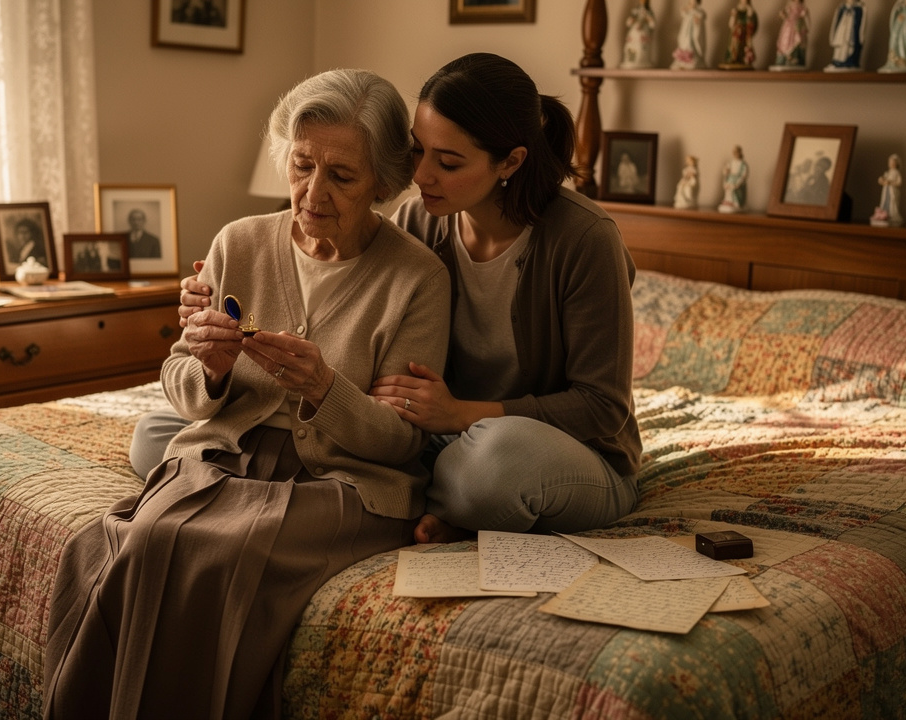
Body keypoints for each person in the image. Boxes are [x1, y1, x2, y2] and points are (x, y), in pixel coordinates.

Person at [44, 68, 450, 720]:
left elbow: (401, 441)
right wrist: (211, 370)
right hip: (225, 454)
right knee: (129, 538)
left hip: (344, 481)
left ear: (383, 182)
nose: (312, 192)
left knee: (221, 549)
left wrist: (324, 387)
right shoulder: (239, 241)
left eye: (341, 176)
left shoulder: (418, 277)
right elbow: (179, 380)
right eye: (301, 166)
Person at [159, 53, 643, 546]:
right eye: (417, 151)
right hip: (444, 434)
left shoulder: (585, 239)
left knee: (494, 462)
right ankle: (450, 501)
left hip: (561, 449)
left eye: (447, 162)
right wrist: (211, 306)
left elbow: (602, 407)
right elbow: (363, 322)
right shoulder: (419, 222)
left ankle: (458, 507)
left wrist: (461, 414)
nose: (421, 176)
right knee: (162, 431)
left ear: (510, 162)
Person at [825, 0, 867, 71]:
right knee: (840, 46)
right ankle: (837, 61)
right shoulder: (841, 7)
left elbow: (863, 24)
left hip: (851, 33)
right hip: (842, 31)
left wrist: (862, 36)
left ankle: (849, 61)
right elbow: (836, 21)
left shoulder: (860, 8)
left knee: (849, 46)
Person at [772, 0, 811, 70]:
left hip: (797, 27)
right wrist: (783, 15)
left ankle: (794, 59)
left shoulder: (802, 7)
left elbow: (807, 18)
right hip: (788, 25)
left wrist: (806, 26)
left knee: (797, 41)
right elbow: (785, 15)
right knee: (785, 40)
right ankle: (785, 58)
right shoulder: (790, 6)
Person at [670, 0, 708, 70]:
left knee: (692, 44)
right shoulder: (688, 12)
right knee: (684, 43)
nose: (692, 4)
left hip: (693, 34)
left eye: (694, 2)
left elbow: (701, 17)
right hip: (686, 33)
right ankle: (683, 60)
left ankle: (691, 58)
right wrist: (687, 8)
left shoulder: (698, 12)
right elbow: (683, 12)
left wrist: (697, 22)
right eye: (690, 2)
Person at [721, 0, 758, 69]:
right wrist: (733, 16)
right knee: (734, 47)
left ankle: (745, 59)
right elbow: (731, 24)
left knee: (745, 48)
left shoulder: (750, 10)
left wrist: (750, 16)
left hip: (745, 35)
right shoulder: (736, 10)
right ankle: (733, 59)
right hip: (736, 34)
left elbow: (753, 24)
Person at [620, 0, 657, 69]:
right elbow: (628, 23)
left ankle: (640, 60)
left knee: (640, 48)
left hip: (643, 33)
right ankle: (631, 60)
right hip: (634, 33)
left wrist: (647, 17)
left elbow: (652, 24)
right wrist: (633, 18)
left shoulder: (648, 12)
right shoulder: (635, 11)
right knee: (630, 47)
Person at [871, 153, 904, 227]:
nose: (891, 164)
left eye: (893, 162)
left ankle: (891, 215)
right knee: (885, 201)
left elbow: (899, 182)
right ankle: (883, 214)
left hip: (893, 191)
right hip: (886, 191)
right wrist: (881, 180)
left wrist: (891, 182)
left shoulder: (896, 172)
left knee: (892, 203)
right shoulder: (888, 172)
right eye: (890, 162)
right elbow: (883, 180)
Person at [718, 145, 748, 213]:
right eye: (735, 152)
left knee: (734, 188)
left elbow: (744, 175)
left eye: (737, 152)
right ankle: (728, 201)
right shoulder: (731, 162)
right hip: (730, 179)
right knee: (728, 188)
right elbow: (726, 170)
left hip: (738, 180)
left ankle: (736, 202)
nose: (736, 154)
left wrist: (738, 182)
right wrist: (726, 171)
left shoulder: (743, 164)